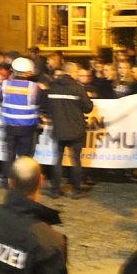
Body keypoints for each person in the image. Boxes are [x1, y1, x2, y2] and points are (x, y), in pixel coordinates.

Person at [40, 62, 93, 199]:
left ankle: (55, 191)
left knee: (58, 159)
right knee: (76, 160)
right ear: (72, 72)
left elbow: (46, 106)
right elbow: (88, 108)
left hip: (58, 128)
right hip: (76, 129)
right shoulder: (77, 88)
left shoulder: (53, 87)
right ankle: (76, 190)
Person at [0, 57, 42, 185]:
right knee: (25, 157)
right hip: (27, 127)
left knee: (9, 155)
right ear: (29, 72)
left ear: (13, 70)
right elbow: (40, 102)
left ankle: (8, 181)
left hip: (9, 125)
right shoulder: (34, 87)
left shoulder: (5, 84)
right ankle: (23, 182)